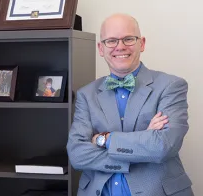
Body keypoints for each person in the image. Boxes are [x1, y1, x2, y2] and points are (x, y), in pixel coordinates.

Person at [66, 13, 193, 196]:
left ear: (142, 43)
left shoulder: (171, 86)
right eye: (111, 41)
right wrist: (143, 142)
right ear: (101, 48)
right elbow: (77, 154)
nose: (120, 46)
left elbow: (163, 146)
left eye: (128, 39)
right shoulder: (86, 94)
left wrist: (103, 139)